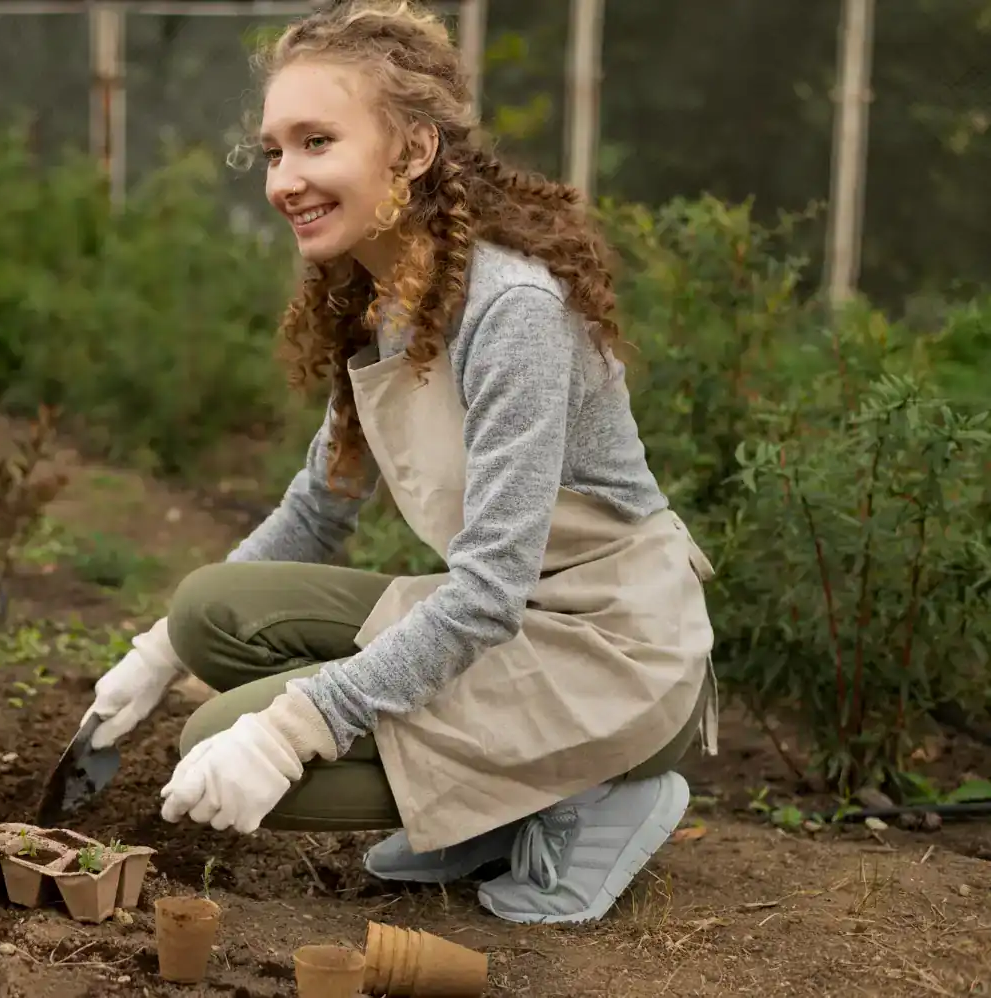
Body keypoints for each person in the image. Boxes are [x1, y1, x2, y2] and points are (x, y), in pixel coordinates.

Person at [78, 0, 719, 925]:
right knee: (208, 613)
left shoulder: (515, 314)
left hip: (611, 647)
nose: (284, 179)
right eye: (274, 151)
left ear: (413, 152)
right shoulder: (378, 301)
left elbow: (491, 588)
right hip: (514, 626)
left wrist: (295, 729)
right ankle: (494, 803)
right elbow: (317, 511)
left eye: (316, 142)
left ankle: (602, 792)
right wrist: (157, 651)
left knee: (226, 737)